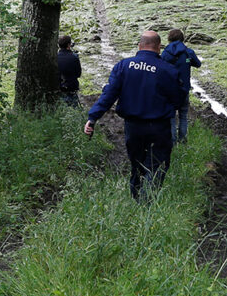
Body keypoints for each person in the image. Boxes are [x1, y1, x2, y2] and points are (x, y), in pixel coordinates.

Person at [84, 31, 185, 200]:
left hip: (133, 125)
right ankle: (147, 202)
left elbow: (108, 94)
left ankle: (137, 198)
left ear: (139, 46)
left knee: (136, 164)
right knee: (157, 164)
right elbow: (178, 98)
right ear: (159, 47)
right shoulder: (168, 70)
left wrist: (93, 118)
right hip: (159, 126)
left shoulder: (123, 66)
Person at [161, 29, 201, 144]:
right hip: (184, 89)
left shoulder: (165, 53)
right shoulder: (188, 52)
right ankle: (183, 141)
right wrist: (187, 62)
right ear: (182, 38)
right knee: (183, 116)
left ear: (169, 38)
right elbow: (198, 64)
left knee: (171, 117)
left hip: (169, 91)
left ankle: (172, 143)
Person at [57, 35, 82, 107]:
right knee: (73, 107)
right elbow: (78, 74)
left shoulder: (55, 57)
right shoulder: (74, 57)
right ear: (69, 44)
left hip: (59, 87)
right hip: (71, 87)